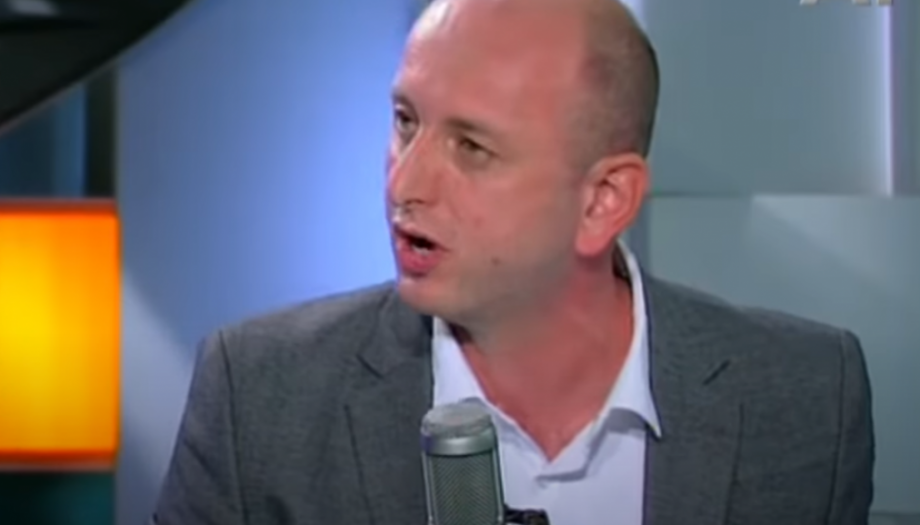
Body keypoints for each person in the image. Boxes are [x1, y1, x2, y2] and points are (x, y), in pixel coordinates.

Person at [151, 0, 875, 523]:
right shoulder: (259, 397)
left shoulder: (807, 398)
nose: (405, 183)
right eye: (405, 122)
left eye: (472, 147)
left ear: (603, 201)